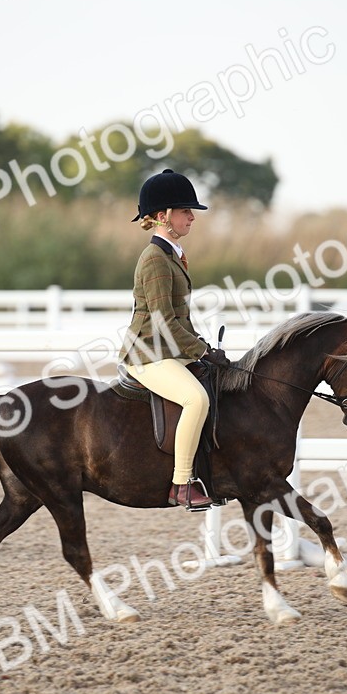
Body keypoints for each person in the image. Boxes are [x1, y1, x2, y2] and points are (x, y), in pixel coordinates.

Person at [120, 169, 229, 510]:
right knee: (196, 399)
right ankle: (181, 484)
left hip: (167, 349)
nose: (192, 217)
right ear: (164, 216)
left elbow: (180, 317)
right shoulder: (155, 259)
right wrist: (202, 350)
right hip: (147, 354)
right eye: (185, 211)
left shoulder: (172, 254)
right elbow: (163, 321)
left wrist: (203, 348)